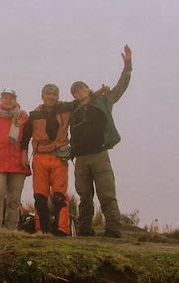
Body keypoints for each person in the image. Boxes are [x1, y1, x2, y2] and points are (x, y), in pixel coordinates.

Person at [69, 45, 132, 238]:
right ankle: (85, 228)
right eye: (76, 91)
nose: (79, 91)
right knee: (84, 196)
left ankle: (113, 228)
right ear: (74, 96)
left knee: (106, 193)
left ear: (88, 89)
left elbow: (121, 87)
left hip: (100, 155)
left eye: (82, 88)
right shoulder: (74, 111)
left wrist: (127, 65)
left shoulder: (104, 101)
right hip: (80, 159)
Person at [21, 84, 72, 236]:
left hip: (59, 157)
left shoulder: (66, 109)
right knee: (40, 196)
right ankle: (42, 230)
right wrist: (24, 154)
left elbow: (84, 100)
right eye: (48, 93)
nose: (51, 96)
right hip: (39, 158)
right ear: (42, 96)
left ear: (58, 96)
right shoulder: (34, 115)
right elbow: (25, 137)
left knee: (59, 196)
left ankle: (61, 229)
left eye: (54, 94)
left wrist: (97, 92)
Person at [0, 88, 31, 230]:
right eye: (5, 97)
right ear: (0, 99)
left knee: (14, 198)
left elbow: (27, 137)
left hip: (18, 162)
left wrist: (25, 154)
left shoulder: (23, 117)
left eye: (11, 97)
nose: (8, 100)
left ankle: (12, 228)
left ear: (15, 99)